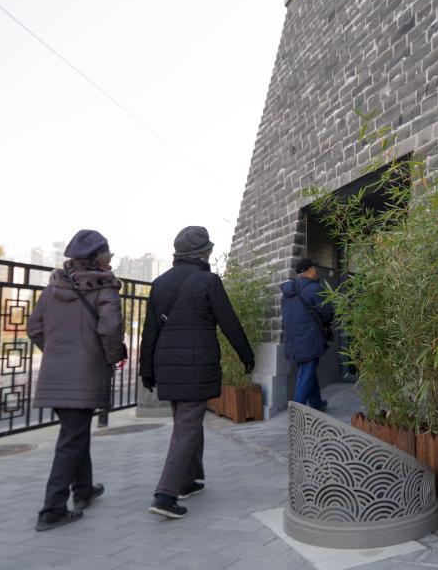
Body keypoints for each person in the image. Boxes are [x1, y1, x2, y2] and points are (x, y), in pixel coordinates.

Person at [139, 226, 254, 519]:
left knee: (186, 421)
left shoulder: (160, 283)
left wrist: (147, 369)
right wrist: (246, 354)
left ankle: (189, 480)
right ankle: (165, 495)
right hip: (197, 363)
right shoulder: (208, 280)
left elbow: (149, 330)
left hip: (167, 363)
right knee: (188, 424)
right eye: (209, 251)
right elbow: (228, 321)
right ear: (202, 252)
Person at [27, 229, 126, 531]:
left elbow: (34, 328)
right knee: (71, 439)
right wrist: (111, 357)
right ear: (98, 258)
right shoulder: (104, 289)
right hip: (85, 372)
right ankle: (52, 509)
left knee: (76, 432)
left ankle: (83, 491)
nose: (110, 261)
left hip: (56, 373)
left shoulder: (52, 288)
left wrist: (57, 354)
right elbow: (110, 330)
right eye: (108, 256)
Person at [280, 258, 334, 411]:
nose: (316, 271)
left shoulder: (288, 293)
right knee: (306, 374)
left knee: (308, 370)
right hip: (309, 339)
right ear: (310, 270)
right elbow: (328, 313)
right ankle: (296, 413)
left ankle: (316, 403)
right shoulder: (315, 288)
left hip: (292, 341)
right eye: (315, 269)